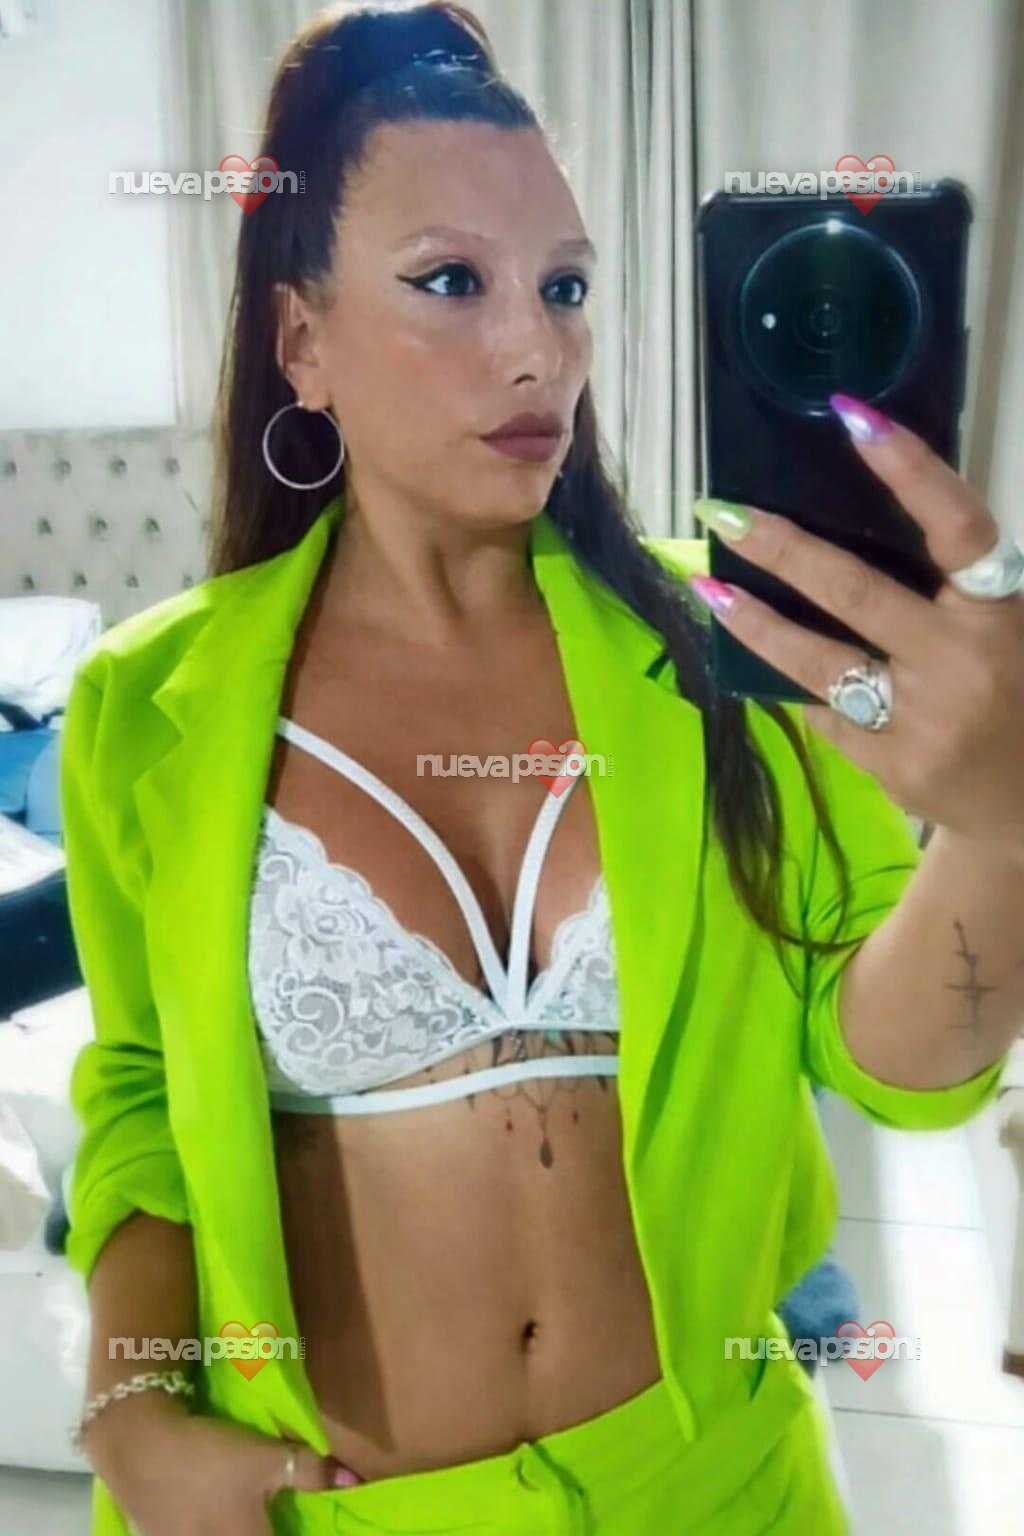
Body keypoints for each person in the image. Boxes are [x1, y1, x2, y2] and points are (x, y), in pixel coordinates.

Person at [59, 4, 1021, 1534]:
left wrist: (1000, 833)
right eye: (452, 281)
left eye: (565, 286)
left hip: (712, 1490)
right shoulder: (146, 706)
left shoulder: (734, 648)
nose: (539, 348)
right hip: (336, 1511)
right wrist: (129, 1413)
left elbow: (901, 1070)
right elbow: (140, 1096)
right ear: (303, 342)